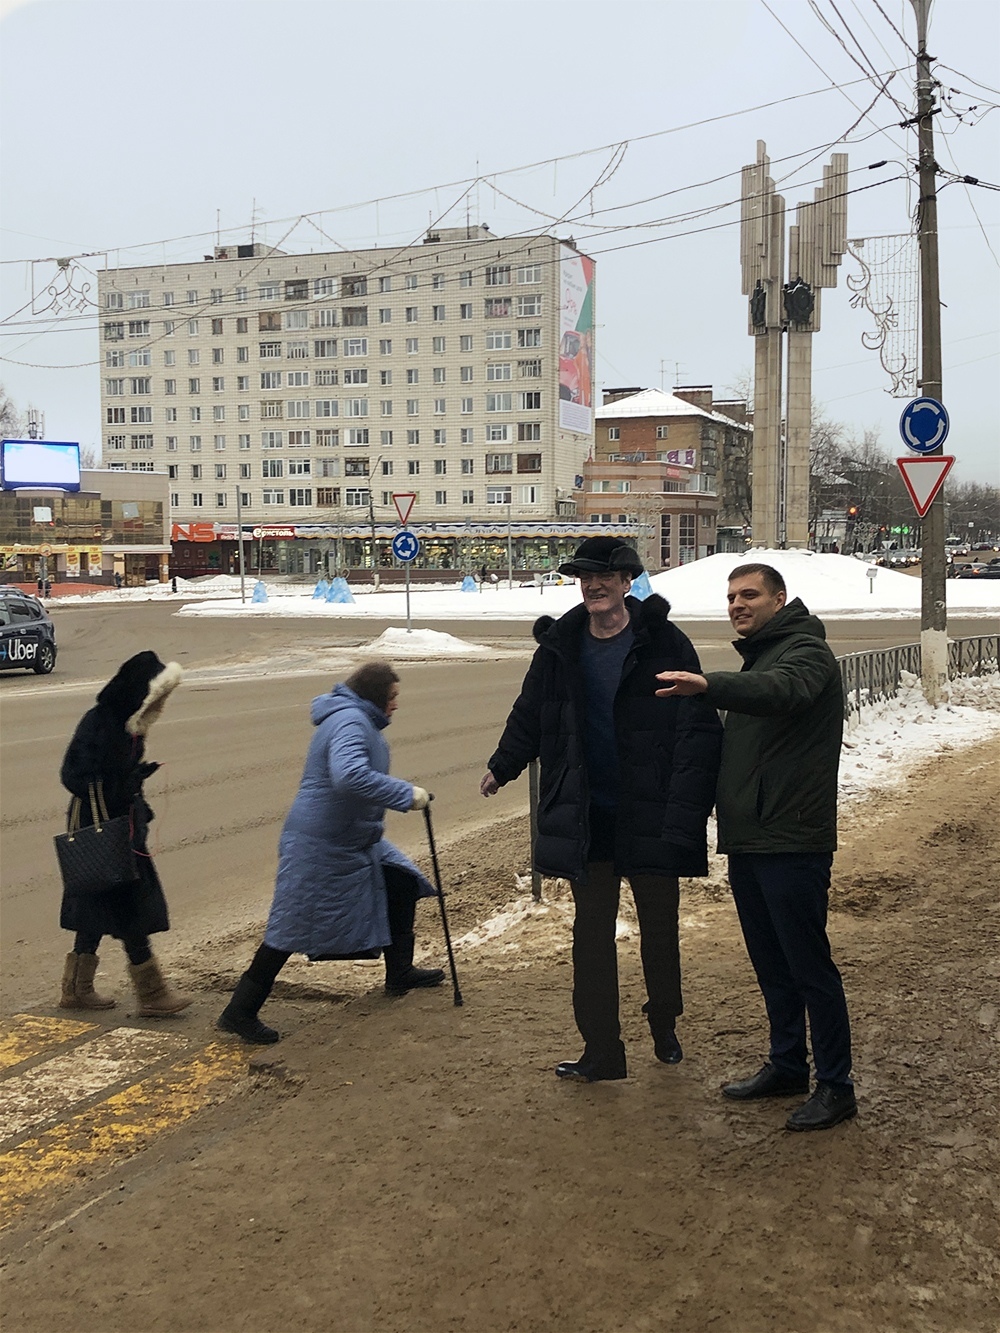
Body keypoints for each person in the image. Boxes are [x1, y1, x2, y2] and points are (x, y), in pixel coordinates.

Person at [480, 536, 722, 1082]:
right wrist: (504, 764)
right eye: (584, 576)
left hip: (651, 811)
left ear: (627, 582)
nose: (592, 585)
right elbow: (531, 712)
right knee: (590, 937)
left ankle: (663, 1019)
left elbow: (697, 728)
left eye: (604, 576)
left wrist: (691, 805)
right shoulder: (561, 645)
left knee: (659, 928)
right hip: (589, 816)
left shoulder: (664, 643)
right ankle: (602, 1050)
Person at [656, 562, 856, 1131]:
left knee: (809, 966)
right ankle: (789, 1064)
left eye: (749, 595)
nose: (738, 604)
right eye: (731, 597)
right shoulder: (764, 654)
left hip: (791, 837)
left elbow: (783, 692)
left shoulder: (804, 652)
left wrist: (709, 684)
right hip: (751, 838)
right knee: (773, 965)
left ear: (780, 599)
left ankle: (837, 1085)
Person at [218, 660, 444, 1044]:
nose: (395, 705)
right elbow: (349, 775)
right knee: (288, 927)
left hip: (355, 838)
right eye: (392, 698)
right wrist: (405, 795)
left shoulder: (355, 718)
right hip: (320, 842)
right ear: (375, 696)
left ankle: (399, 972)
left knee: (401, 881)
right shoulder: (351, 721)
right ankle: (240, 1011)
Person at [58, 651, 191, 1017]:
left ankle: (76, 988)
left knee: (96, 903)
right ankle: (152, 993)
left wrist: (134, 777)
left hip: (121, 824)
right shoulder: (100, 722)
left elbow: (113, 770)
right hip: (103, 827)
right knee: (129, 906)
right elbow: (73, 774)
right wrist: (119, 786)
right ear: (137, 693)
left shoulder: (128, 726)